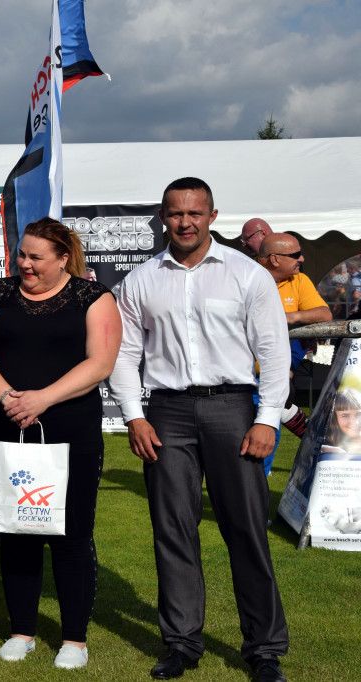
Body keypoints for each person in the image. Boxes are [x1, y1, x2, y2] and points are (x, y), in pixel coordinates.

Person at [110, 177, 290, 682]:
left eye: (194, 213)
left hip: (232, 407)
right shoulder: (141, 280)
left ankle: (263, 649)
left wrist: (266, 419)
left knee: (246, 529)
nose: (184, 222)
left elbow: (274, 354)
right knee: (172, 530)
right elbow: (124, 353)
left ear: (213, 216)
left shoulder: (246, 274)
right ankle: (182, 643)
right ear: (162, 217)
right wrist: (134, 414)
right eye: (174, 213)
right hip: (166, 413)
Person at [0, 218, 121, 670]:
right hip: (9, 425)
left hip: (72, 429)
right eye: (22, 254)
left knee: (72, 535)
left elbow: (101, 362)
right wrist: (10, 397)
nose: (25, 264)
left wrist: (44, 398)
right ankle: (21, 631)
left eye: (35, 257)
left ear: (62, 258)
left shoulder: (94, 297)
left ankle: (74, 639)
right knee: (17, 531)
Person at [256, 232, 332, 471]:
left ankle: (260, 480)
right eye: (296, 255)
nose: (302, 258)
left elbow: (324, 315)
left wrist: (292, 316)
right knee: (261, 422)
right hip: (238, 373)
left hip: (275, 371)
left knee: (269, 424)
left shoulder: (298, 281)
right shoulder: (245, 277)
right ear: (275, 259)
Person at [321, 389, 361, 453]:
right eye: (345, 416)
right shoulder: (326, 444)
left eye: (359, 414)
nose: (354, 422)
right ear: (335, 419)